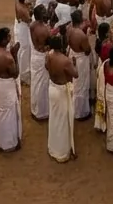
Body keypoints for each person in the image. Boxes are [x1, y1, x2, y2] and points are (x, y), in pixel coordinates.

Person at [0, 26, 22, 152]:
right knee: (9, 113)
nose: (10, 37)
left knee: (0, 111)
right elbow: (15, 73)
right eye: (8, 36)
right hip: (6, 86)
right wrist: (15, 55)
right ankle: (9, 144)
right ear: (4, 40)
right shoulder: (8, 58)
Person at [45, 34, 76, 162]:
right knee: (63, 121)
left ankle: (53, 148)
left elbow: (46, 67)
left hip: (52, 88)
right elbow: (76, 74)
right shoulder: (65, 60)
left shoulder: (48, 56)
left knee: (54, 119)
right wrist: (74, 64)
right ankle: (62, 153)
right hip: (61, 91)